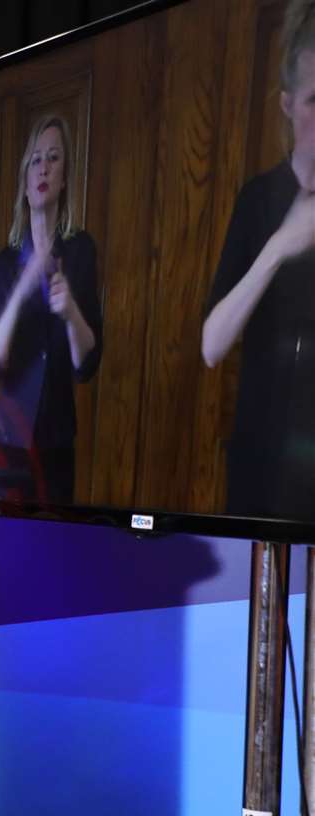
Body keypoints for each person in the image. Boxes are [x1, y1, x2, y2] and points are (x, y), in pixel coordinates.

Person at [202, 0, 315, 519]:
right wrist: (278, 248)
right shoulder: (257, 200)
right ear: (288, 104)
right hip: (258, 475)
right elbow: (211, 345)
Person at [0, 114, 103, 506]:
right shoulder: (7, 259)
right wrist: (21, 288)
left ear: (64, 178)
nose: (44, 167)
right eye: (36, 159)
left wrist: (70, 312)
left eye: (53, 158)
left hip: (56, 445)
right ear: (25, 179)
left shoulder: (81, 251)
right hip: (8, 443)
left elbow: (87, 364)